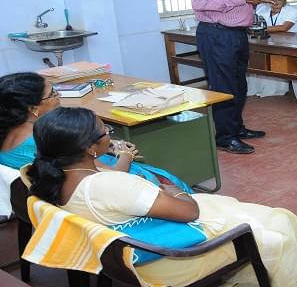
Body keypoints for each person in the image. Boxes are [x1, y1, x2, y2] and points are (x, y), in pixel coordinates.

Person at [24, 107, 297, 287]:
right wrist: (174, 189)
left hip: (127, 245)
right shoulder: (111, 185)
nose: (109, 133)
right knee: (281, 227)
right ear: (88, 148)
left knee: (260, 213)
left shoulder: (48, 175)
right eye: (105, 131)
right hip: (169, 260)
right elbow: (189, 211)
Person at [0, 73, 193, 214]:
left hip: (55, 191)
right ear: (33, 108)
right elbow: (114, 174)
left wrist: (95, 143)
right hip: (98, 192)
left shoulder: (13, 133)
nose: (58, 96)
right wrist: (126, 155)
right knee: (165, 180)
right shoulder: (41, 137)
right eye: (52, 94)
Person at [191, 0, 270, 154]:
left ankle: (236, 128)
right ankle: (225, 138)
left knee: (238, 84)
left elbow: (237, 4)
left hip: (236, 34)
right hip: (217, 35)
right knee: (223, 86)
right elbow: (200, 3)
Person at [247, 0, 297, 97]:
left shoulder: (291, 10)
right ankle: (257, 87)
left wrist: (259, 29)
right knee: (255, 58)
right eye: (272, 0)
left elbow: (283, 27)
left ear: (284, 1)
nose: (275, 2)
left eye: (278, 0)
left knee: (274, 60)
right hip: (264, 41)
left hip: (287, 43)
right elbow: (254, 24)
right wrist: (257, 29)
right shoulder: (262, 8)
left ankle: (275, 89)